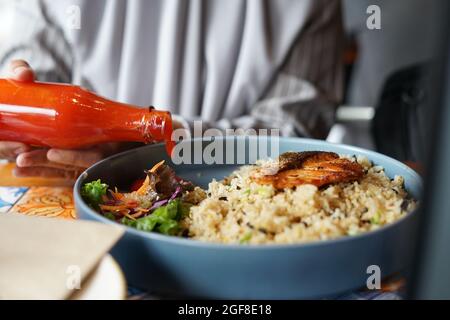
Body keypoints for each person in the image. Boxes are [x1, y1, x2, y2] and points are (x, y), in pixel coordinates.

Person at [0, 0, 343, 181]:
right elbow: (23, 76)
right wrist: (22, 122)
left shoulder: (308, 4)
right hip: (75, 192)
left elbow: (294, 139)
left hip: (239, 210)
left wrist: (152, 146)